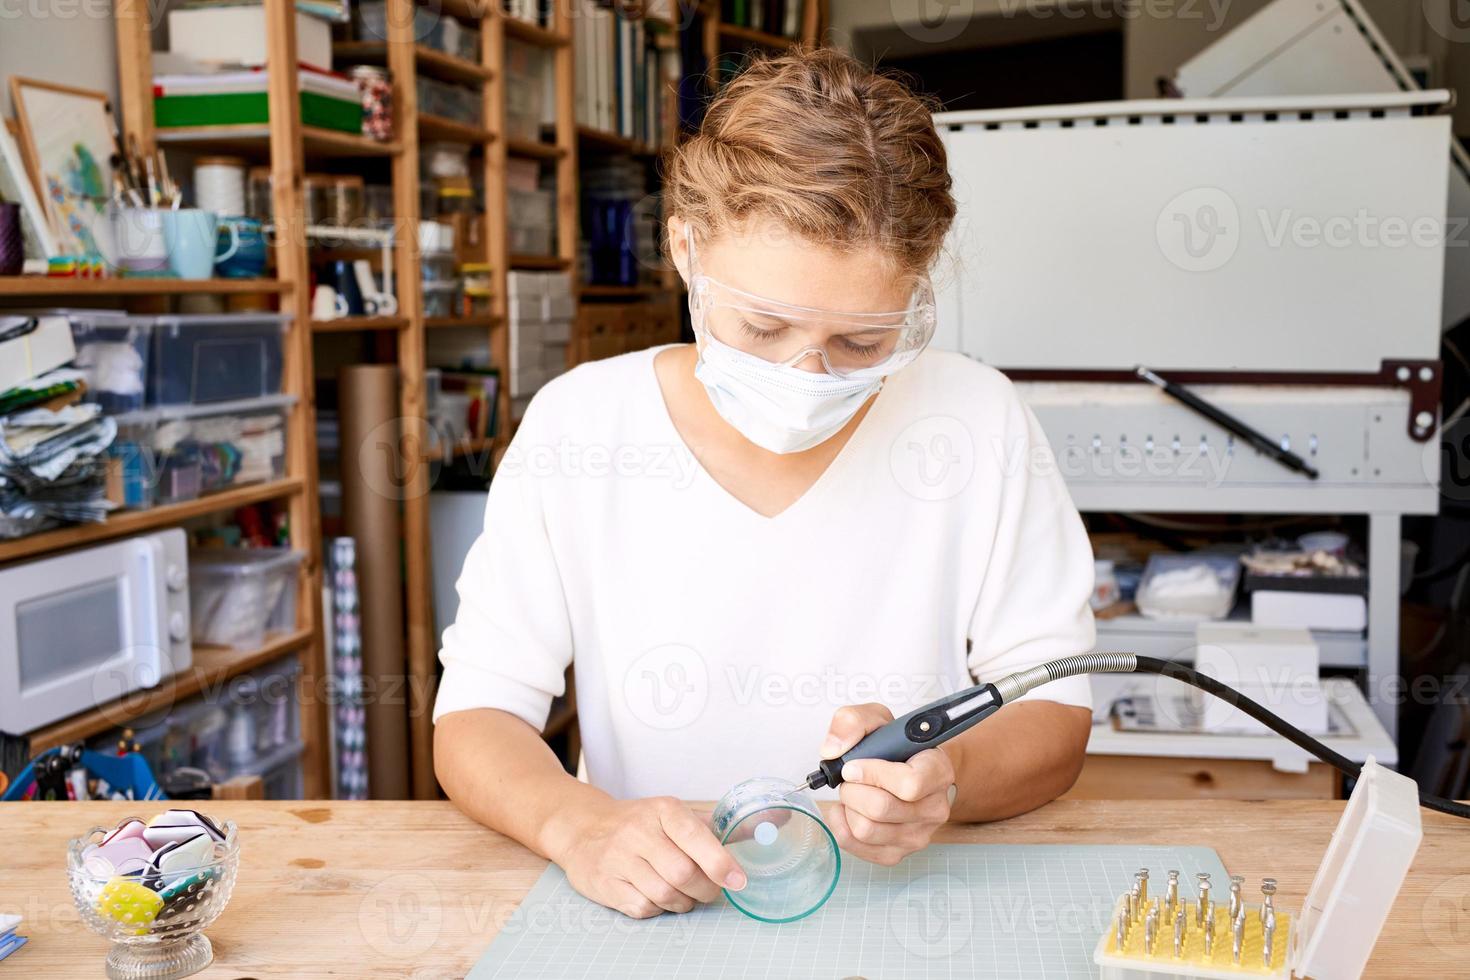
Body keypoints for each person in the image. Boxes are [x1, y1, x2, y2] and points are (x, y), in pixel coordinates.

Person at [434, 47, 1095, 920]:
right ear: (684, 248)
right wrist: (575, 825)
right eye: (762, 326)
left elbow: (1054, 710)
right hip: (654, 915)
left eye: (861, 342)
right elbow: (478, 715)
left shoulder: (976, 420)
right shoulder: (580, 427)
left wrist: (950, 777)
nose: (808, 374)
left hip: (905, 910)